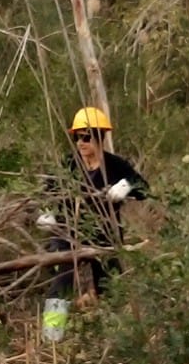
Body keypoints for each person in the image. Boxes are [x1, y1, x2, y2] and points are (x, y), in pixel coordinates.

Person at [35, 107, 148, 343]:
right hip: (70, 232)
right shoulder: (69, 164)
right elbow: (48, 191)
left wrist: (125, 187)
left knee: (111, 283)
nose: (81, 142)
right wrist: (47, 213)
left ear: (99, 137)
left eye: (86, 137)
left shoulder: (115, 165)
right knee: (62, 281)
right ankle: (52, 335)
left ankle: (116, 337)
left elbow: (143, 187)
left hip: (103, 234)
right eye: (78, 137)